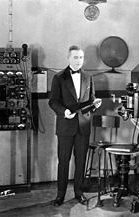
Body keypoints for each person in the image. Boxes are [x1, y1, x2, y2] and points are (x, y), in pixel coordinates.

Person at [49, 45, 102, 207]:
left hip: (83, 126)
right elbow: (53, 101)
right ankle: (60, 195)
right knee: (63, 161)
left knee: (81, 162)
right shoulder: (59, 77)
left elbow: (90, 100)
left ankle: (79, 193)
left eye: (80, 58)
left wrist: (95, 105)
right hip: (65, 126)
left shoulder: (88, 77)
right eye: (75, 57)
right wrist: (64, 111)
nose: (78, 61)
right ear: (68, 58)